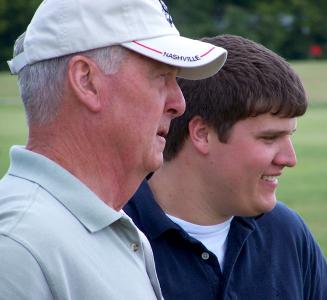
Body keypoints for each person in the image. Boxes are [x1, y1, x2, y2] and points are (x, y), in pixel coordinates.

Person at [0, 0, 227, 299]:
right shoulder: (18, 247)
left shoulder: (109, 225)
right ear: (87, 82)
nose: (179, 103)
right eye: (161, 76)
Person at [124, 34, 327, 299]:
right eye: (269, 138)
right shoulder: (116, 236)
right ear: (203, 134)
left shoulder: (285, 232)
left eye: (290, 136)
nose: (289, 158)